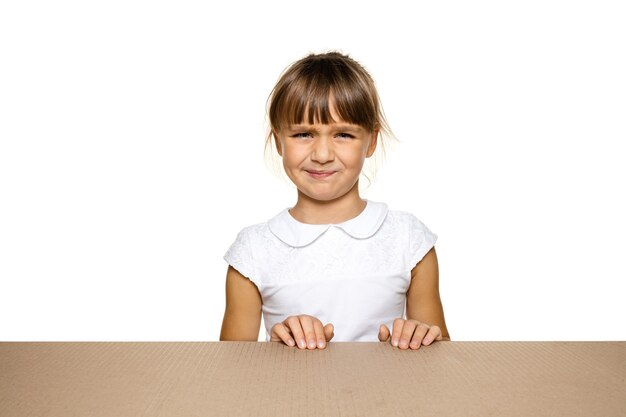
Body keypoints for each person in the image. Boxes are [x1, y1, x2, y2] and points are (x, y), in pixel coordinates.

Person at [219, 51, 450, 350]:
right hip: (288, 396)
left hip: (388, 397)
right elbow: (229, 370)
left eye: (343, 134)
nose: (323, 154)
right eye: (303, 134)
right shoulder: (252, 252)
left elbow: (443, 358)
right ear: (278, 141)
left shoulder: (409, 240)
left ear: (372, 141)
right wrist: (273, 348)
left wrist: (420, 337)